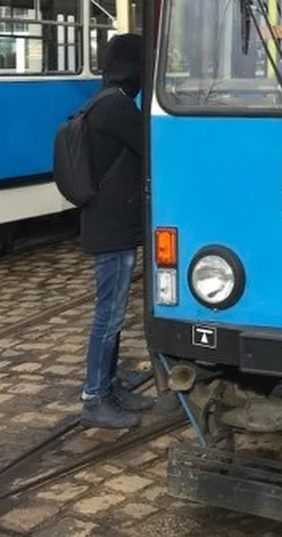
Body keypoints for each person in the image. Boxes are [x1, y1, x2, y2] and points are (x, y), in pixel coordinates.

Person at [79, 32, 155, 429]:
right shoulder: (116, 109)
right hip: (112, 230)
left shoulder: (104, 101)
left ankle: (109, 387)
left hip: (109, 225)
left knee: (113, 313)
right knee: (109, 316)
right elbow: (152, 145)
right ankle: (95, 396)